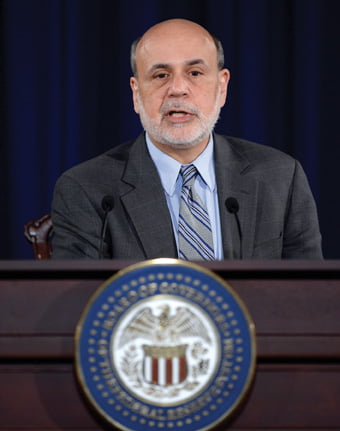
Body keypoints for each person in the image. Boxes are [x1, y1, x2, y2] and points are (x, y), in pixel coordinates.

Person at [51, 18, 323, 260]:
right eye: (160, 75)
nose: (178, 89)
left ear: (222, 86)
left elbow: (309, 299)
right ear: (136, 93)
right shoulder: (87, 189)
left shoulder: (280, 177)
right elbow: (81, 308)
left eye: (194, 73)